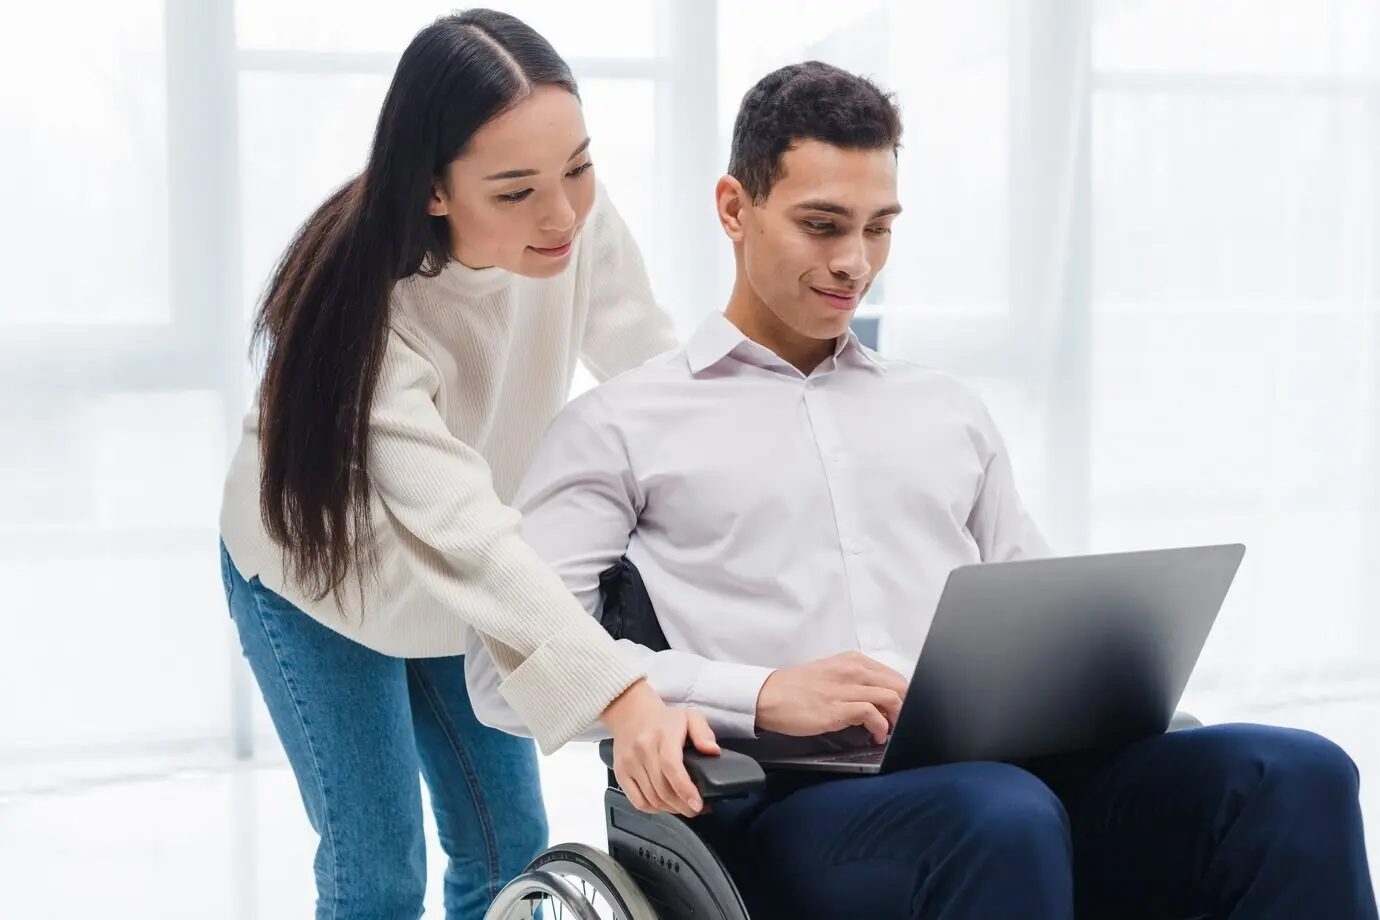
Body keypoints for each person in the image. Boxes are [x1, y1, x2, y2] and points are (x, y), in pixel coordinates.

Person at [471, 61, 1379, 919]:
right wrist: (757, 692)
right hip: (790, 810)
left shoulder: (944, 410)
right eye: (823, 226)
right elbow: (500, 676)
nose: (854, 263)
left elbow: (1032, 600)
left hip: (1008, 787)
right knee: (1000, 812)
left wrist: (1103, 674)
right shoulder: (623, 424)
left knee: (1295, 770)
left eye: (880, 227)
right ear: (734, 208)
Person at [217, 10, 720, 920]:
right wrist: (622, 691)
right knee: (377, 872)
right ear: (435, 191)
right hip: (320, 581)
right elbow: (467, 533)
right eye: (518, 190)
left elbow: (653, 381)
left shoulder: (574, 224)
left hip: (457, 587)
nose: (562, 213)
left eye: (579, 166)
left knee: (507, 851)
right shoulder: (371, 318)